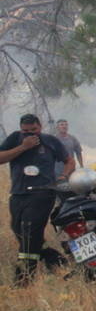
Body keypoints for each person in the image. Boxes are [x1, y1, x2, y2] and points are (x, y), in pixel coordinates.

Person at [0, 113, 73, 283]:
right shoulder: (15, 139)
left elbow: (69, 161)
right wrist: (23, 147)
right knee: (18, 229)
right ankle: (52, 258)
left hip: (43, 193)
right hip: (18, 193)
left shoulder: (50, 141)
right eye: (26, 131)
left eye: (33, 130)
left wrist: (63, 176)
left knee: (30, 232)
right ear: (20, 129)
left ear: (39, 127)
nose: (30, 134)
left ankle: (24, 277)